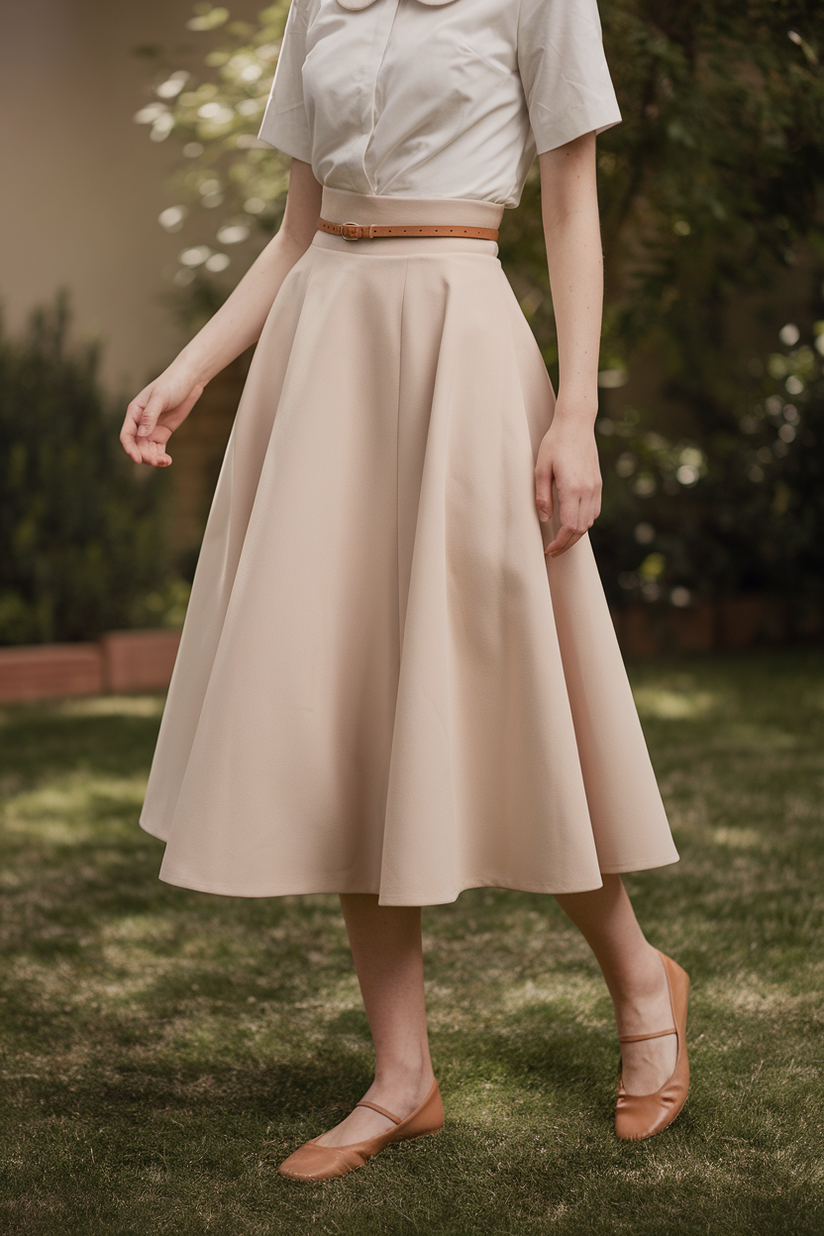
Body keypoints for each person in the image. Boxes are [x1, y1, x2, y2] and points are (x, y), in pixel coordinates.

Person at [121, 0, 689, 1182]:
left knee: (516, 697)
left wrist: (575, 413)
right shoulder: (317, 5)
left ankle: (641, 979)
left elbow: (571, 208)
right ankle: (401, 1077)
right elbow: (295, 231)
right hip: (323, 354)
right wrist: (187, 371)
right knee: (350, 708)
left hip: (462, 345)